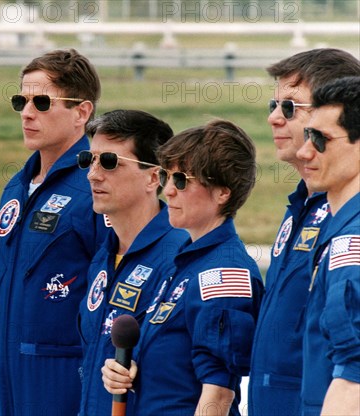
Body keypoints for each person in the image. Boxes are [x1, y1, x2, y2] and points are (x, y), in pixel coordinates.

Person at [101, 120, 264, 415]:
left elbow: (219, 392)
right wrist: (129, 369)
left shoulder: (223, 273)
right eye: (167, 177)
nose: (168, 191)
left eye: (181, 181)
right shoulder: (186, 260)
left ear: (222, 193)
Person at [0, 48, 108, 415]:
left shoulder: (96, 186)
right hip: (6, 375)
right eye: (20, 101)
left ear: (81, 112)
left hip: (63, 379)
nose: (26, 112)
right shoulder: (16, 187)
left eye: (41, 102)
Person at [248, 49, 360, 415]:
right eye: (273, 105)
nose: (274, 118)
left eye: (290, 107)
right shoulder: (299, 205)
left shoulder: (343, 217)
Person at [77, 109, 188, 415]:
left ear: (154, 176)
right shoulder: (104, 255)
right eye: (90, 160)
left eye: (109, 162)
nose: (93, 174)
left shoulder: (180, 257)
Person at [296, 76, 360, 415]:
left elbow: (355, 375)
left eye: (321, 139)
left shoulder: (353, 241)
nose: (304, 151)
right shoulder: (339, 227)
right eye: (308, 135)